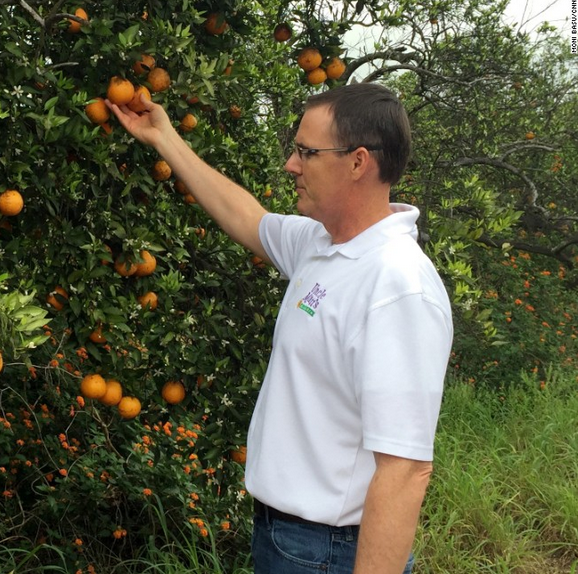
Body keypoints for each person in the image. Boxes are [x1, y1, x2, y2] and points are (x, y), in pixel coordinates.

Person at [107, 82, 453, 574]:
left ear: (358, 163)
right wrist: (165, 138)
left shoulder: (396, 287)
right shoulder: (322, 244)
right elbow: (246, 216)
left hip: (332, 552)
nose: (291, 165)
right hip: (288, 538)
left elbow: (405, 471)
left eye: (306, 152)